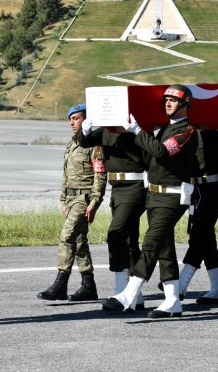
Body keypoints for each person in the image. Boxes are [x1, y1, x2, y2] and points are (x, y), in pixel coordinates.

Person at [101, 84, 198, 318]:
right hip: (154, 195)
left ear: (186, 105)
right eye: (166, 100)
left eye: (173, 100)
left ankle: (129, 293)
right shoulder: (163, 129)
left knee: (151, 243)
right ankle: (173, 300)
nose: (168, 103)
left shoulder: (187, 132)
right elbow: (149, 154)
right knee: (165, 248)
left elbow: (162, 152)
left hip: (173, 196)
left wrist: (137, 131)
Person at [38, 103, 107, 302]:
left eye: (76, 118)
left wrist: (95, 200)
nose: (71, 122)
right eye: (70, 119)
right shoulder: (72, 144)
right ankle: (88, 286)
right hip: (70, 199)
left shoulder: (94, 144)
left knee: (66, 237)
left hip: (84, 197)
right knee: (78, 241)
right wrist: (63, 199)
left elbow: (100, 174)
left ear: (86, 120)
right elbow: (65, 175)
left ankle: (60, 283)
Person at [78, 119, 148, 310]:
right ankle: (136, 296)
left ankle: (121, 290)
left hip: (135, 187)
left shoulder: (131, 129)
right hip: (117, 188)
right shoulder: (105, 130)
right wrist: (86, 130)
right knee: (130, 242)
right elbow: (84, 142)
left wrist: (133, 130)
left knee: (115, 234)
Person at [176, 127, 218, 305]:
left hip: (213, 187)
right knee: (206, 236)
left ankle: (181, 283)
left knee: (200, 233)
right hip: (195, 189)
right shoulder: (187, 130)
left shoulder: (217, 130)